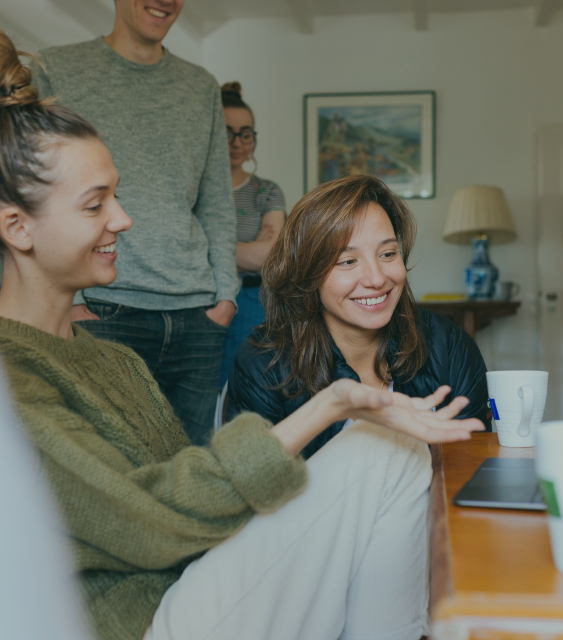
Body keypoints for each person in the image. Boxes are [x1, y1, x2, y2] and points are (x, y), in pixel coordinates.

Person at [0, 34, 484, 640]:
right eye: (97, 204)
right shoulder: (12, 380)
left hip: (192, 586)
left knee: (385, 450)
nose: (123, 219)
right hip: (146, 624)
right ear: (16, 226)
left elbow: (196, 491)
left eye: (388, 254)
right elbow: (156, 521)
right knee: (383, 450)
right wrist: (332, 404)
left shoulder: (110, 359)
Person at [30, 0, 238, 446]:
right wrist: (73, 298)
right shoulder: (56, 69)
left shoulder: (201, 87)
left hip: (198, 317)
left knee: (192, 472)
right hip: (100, 311)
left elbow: (217, 202)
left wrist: (225, 296)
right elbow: (32, 193)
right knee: (110, 474)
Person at [227, 174, 492, 458]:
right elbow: (251, 486)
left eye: (388, 254)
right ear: (307, 274)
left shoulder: (449, 346)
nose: (376, 279)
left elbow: (470, 472)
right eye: (347, 261)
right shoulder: (265, 362)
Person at [218, 82, 286, 386]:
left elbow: (271, 255)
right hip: (199, 302)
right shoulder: (192, 192)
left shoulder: (267, 191)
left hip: (252, 301)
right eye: (226, 131)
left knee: (246, 391)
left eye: (245, 133)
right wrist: (246, 252)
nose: (236, 142)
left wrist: (209, 251)